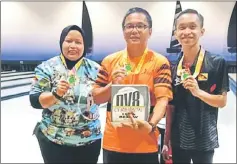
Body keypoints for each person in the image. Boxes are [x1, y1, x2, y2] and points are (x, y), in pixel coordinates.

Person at [92, 7, 173, 163]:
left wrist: (150, 125)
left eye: (140, 26)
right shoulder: (109, 61)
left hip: (146, 142)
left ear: (149, 31)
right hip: (113, 142)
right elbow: (96, 98)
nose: (134, 30)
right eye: (129, 26)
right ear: (123, 32)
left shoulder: (160, 62)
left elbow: (163, 99)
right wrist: (111, 85)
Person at [162, 9, 229, 163]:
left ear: (202, 31)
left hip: (204, 138)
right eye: (182, 27)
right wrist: (166, 141)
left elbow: (222, 102)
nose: (187, 32)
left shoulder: (216, 62)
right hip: (178, 138)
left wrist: (198, 92)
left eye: (192, 27)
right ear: (176, 33)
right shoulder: (173, 67)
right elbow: (170, 108)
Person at [29, 25, 102, 163]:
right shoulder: (47, 68)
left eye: (78, 42)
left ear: (84, 45)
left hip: (89, 140)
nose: (73, 45)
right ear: (61, 42)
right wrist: (55, 94)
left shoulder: (96, 69)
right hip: (54, 141)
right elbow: (35, 100)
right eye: (68, 41)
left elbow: (104, 97)